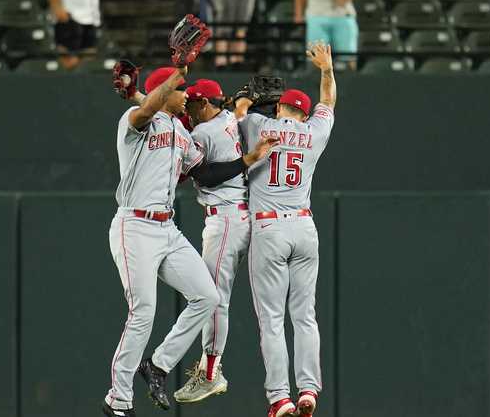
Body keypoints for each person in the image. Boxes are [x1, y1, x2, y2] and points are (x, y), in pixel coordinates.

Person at [104, 53, 279, 417]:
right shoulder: (135, 121)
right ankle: (118, 401)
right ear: (164, 90)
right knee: (143, 313)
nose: (186, 93)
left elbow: (207, 174)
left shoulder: (181, 131)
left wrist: (247, 161)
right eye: (181, 87)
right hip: (134, 226)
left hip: (165, 228)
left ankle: (157, 365)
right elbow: (147, 108)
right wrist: (163, 81)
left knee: (207, 296)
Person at [236, 42, 337, 417]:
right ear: (303, 112)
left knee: (272, 320)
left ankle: (280, 398)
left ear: (280, 108)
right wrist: (326, 69)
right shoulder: (315, 132)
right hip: (304, 227)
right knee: (305, 316)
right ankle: (309, 389)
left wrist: (247, 100)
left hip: (270, 229)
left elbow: (239, 112)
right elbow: (329, 101)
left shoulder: (260, 125)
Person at [171, 78, 263, 404]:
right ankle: (212, 367)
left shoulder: (203, 132)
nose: (190, 109)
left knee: (212, 298)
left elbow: (199, 174)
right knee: (214, 296)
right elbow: (232, 116)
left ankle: (210, 372)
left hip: (224, 219)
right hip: (237, 215)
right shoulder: (227, 120)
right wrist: (239, 106)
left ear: (206, 104)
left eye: (194, 104)